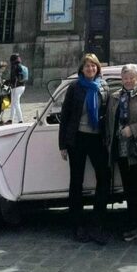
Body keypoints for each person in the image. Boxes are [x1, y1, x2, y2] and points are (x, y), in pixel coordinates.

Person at [58, 53, 109, 244]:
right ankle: (77, 225)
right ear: (82, 68)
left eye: (93, 66)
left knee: (104, 178)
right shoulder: (75, 87)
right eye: (87, 66)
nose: (90, 69)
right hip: (77, 139)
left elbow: (108, 111)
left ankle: (97, 224)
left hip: (97, 139)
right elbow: (65, 115)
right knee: (76, 181)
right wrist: (62, 144)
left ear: (97, 68)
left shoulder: (103, 86)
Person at [106, 63, 137, 245]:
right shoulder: (114, 97)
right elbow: (109, 124)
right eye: (125, 77)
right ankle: (135, 226)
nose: (128, 81)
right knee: (130, 191)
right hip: (123, 152)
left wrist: (133, 129)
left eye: (131, 77)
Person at [8, 52, 28, 124]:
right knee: (13, 103)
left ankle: (20, 120)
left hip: (16, 87)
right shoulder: (21, 66)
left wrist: (8, 83)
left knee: (16, 103)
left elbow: (13, 77)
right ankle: (10, 119)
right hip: (22, 86)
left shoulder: (15, 66)